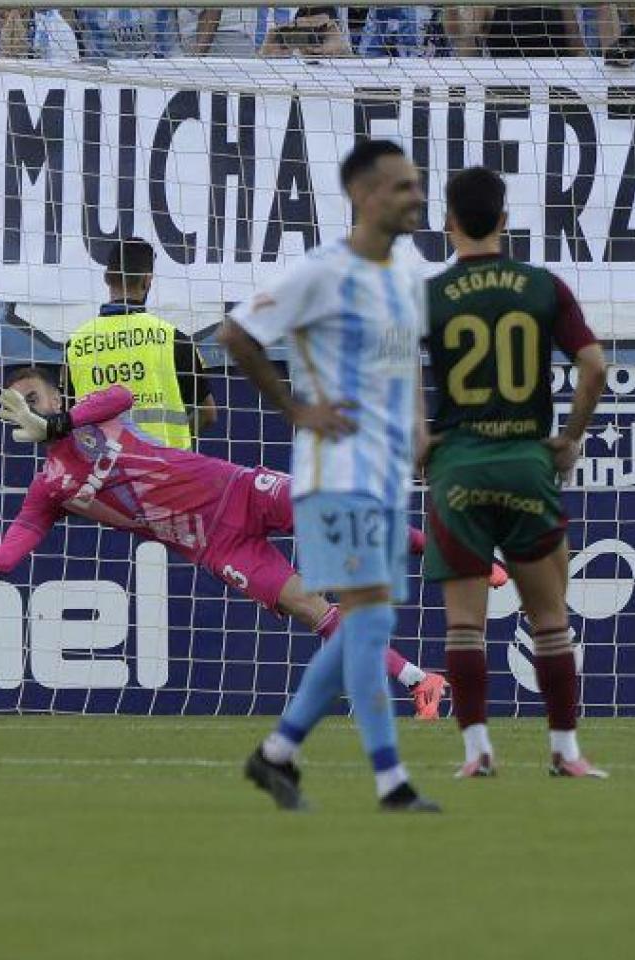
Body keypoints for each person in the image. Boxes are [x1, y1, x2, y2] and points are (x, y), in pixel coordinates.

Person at [0, 370, 461, 721]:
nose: (29, 406)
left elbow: (124, 393)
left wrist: (60, 424)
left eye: (36, 396)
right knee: (314, 608)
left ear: (56, 397)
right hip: (215, 546)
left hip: (237, 488)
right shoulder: (48, 488)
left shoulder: (92, 417)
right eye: (16, 404)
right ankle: (420, 681)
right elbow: (7, 557)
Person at [217, 139, 438, 813]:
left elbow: (403, 366)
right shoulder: (320, 272)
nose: (417, 198)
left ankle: (277, 755)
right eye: (403, 187)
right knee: (368, 625)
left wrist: (421, 431)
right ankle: (390, 782)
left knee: (366, 627)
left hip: (382, 472)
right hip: (331, 471)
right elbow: (235, 336)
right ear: (365, 195)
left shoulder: (405, 270)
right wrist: (295, 409)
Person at [422, 167, 610, 779]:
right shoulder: (541, 285)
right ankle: (566, 752)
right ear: (505, 221)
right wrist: (570, 438)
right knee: (550, 619)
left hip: (459, 470)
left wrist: (420, 437)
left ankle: (477, 752)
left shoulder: (427, 295)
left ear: (447, 223)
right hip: (527, 465)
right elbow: (595, 366)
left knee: (464, 623)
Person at [61, 237, 216, 452]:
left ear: (106, 278)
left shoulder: (76, 344)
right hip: (166, 471)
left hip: (102, 473)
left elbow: (68, 420)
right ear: (147, 280)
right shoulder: (173, 339)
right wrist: (175, 448)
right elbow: (208, 413)